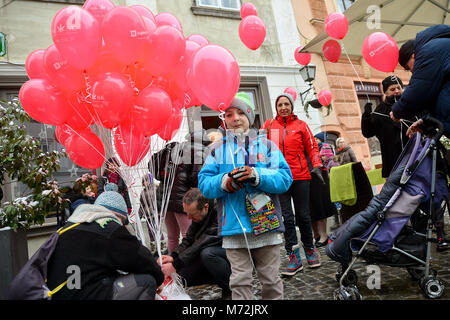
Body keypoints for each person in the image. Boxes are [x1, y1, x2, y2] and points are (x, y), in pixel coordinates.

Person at [198, 92, 293, 300]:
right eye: (230, 114)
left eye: (241, 112)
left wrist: (258, 176)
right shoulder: (215, 150)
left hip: (266, 224)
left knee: (271, 280)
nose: (235, 118)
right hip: (234, 227)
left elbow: (285, 178)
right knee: (239, 283)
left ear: (249, 116)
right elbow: (204, 184)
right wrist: (225, 181)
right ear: (224, 120)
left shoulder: (267, 146)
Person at [46, 183, 164, 300]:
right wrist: (159, 278)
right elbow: (140, 257)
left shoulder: (72, 224)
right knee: (146, 281)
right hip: (83, 294)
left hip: (59, 292)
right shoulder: (108, 226)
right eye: (122, 222)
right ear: (118, 216)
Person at [261, 92, 323, 276]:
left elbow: (312, 147)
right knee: (287, 218)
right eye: (280, 105)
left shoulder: (301, 125)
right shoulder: (270, 125)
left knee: (303, 215)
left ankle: (310, 249)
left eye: (286, 104)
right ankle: (293, 255)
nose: (283, 108)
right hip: (280, 178)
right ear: (276, 108)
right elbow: (262, 148)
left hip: (301, 176)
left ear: (291, 106)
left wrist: (317, 164)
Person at [158, 188, 232, 299]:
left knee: (207, 253)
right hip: (211, 251)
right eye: (186, 213)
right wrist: (173, 257)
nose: (188, 218)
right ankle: (216, 277)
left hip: (229, 250)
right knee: (184, 277)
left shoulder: (220, 210)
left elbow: (202, 243)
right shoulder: (198, 213)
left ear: (205, 207)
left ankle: (229, 288)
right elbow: (189, 240)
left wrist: (176, 264)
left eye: (192, 214)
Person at [149, 130, 211, 253]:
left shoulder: (175, 148)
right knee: (187, 235)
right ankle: (187, 268)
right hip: (183, 200)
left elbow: (155, 169)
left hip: (164, 198)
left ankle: (172, 268)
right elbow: (196, 178)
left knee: (172, 237)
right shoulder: (199, 152)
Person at [390, 24, 450, 138]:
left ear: (413, 56)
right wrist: (424, 121)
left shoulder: (429, 51)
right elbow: (438, 95)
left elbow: (419, 92)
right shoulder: (441, 46)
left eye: (409, 68)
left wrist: (397, 111)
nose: (413, 72)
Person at [362, 75, 416, 178]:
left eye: (399, 88)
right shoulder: (380, 110)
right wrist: (366, 117)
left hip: (414, 156)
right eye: (392, 89)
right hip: (393, 161)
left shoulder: (410, 104)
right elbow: (368, 133)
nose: (396, 91)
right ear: (386, 92)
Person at [310, 133, 338, 247]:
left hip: (319, 176)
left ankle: (323, 235)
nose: (315, 140)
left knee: (320, 207)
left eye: (316, 139)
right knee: (311, 209)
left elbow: (326, 159)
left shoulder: (324, 147)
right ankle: (316, 234)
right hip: (306, 176)